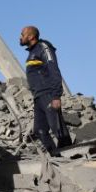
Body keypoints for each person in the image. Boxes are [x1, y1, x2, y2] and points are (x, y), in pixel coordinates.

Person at [19, 26, 71, 155]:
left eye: (22, 34)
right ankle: (57, 157)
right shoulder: (32, 53)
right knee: (39, 130)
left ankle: (72, 156)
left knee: (58, 129)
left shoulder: (43, 47)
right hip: (38, 97)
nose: (20, 37)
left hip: (48, 94)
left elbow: (54, 70)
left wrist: (56, 96)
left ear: (31, 36)